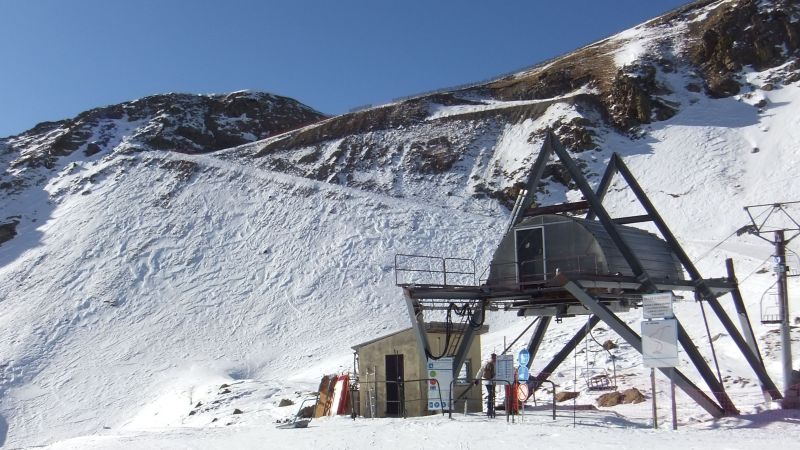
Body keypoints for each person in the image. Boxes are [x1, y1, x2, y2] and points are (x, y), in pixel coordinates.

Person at [475, 353, 497, 418]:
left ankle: (490, 409)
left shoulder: (486, 363)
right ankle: (490, 409)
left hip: (487, 381)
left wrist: (477, 379)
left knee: (491, 394)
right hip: (492, 381)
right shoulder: (495, 364)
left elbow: (480, 371)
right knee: (491, 394)